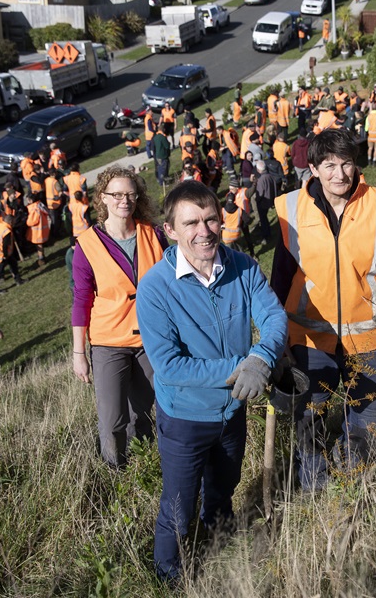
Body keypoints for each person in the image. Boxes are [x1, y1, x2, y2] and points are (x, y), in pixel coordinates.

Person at [136, 181, 287, 583]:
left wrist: (263, 356)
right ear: (169, 230)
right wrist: (242, 366)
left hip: (233, 410)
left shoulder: (243, 266)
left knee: (225, 485)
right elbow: (169, 366)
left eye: (210, 219)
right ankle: (169, 575)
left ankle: (219, 538)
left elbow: (273, 318)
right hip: (185, 418)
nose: (203, 231)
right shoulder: (154, 288)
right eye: (191, 223)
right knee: (179, 505)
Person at [270, 129, 376, 492]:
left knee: (367, 423)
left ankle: (355, 490)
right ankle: (315, 491)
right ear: (312, 168)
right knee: (310, 419)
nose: (339, 174)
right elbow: (280, 279)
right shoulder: (290, 209)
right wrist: (275, 339)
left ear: (356, 165)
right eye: (329, 165)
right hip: (309, 339)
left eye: (346, 164)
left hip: (370, 338)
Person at [71, 166, 167, 468]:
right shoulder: (86, 245)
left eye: (130, 194)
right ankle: (116, 469)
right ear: (103, 198)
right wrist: (79, 353)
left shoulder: (154, 234)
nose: (124, 200)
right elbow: (81, 300)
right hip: (108, 343)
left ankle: (150, 462)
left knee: (151, 407)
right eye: (117, 194)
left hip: (152, 338)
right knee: (113, 417)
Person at [0, 212, 25, 294]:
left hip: (1, 253)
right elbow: (5, 245)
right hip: (2, 255)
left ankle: (18, 280)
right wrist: (5, 255)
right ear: (10, 222)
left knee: (14, 264)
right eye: (13, 222)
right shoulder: (7, 231)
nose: (13, 223)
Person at [254, 158, 278, 240]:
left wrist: (256, 200)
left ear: (258, 169)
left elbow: (260, 194)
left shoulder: (261, 180)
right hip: (270, 201)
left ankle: (266, 235)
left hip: (263, 203)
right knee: (265, 218)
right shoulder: (271, 176)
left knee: (263, 220)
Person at [24, 194, 50, 266]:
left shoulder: (34, 209)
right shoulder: (40, 205)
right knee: (40, 245)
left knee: (39, 246)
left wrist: (27, 220)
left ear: (31, 200)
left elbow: (31, 222)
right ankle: (42, 257)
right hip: (42, 230)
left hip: (37, 232)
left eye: (28, 200)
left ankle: (41, 259)